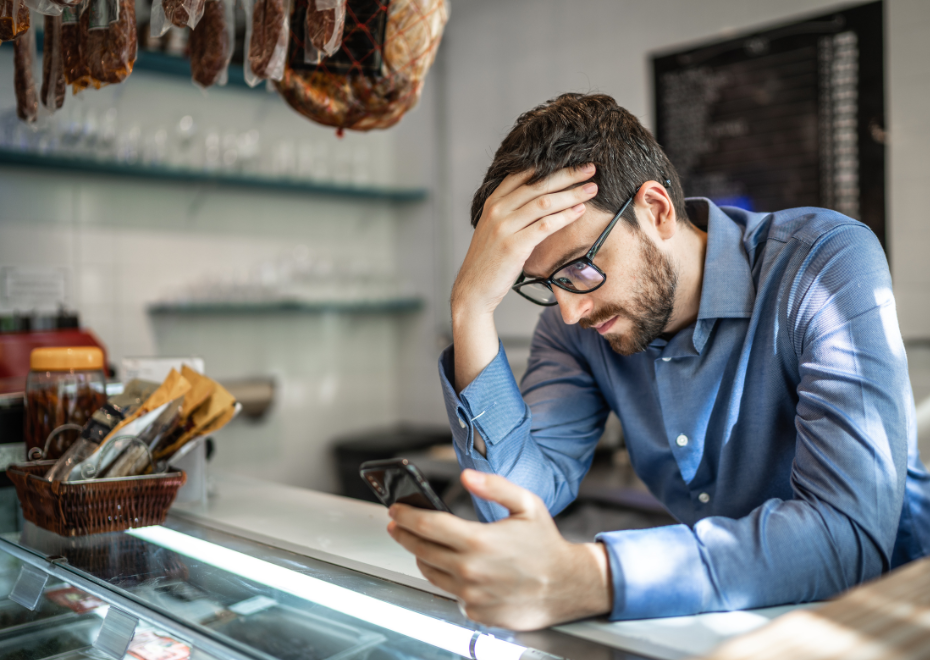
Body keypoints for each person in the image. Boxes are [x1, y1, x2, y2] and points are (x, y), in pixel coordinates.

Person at [385, 93, 930, 630]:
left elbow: (850, 534)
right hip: (722, 624)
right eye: (548, 285)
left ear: (656, 210)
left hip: (886, 619)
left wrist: (589, 577)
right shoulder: (575, 323)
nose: (570, 312)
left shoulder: (822, 263)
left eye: (579, 269)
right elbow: (511, 504)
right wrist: (471, 307)